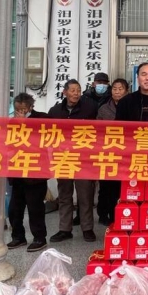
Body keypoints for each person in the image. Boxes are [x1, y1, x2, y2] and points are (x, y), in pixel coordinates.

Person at [48, 79, 99, 242]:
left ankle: (87, 228)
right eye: (72, 90)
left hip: (83, 159)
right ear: (65, 92)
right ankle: (65, 229)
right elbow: (48, 134)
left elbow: (98, 131)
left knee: (85, 195)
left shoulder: (89, 108)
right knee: (64, 194)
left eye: (78, 90)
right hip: (63, 158)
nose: (76, 93)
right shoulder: (55, 111)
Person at [6, 93, 49, 253]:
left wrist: (25, 124)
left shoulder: (42, 118)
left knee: (35, 208)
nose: (20, 112)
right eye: (17, 109)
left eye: (23, 109)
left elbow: (44, 140)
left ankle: (39, 238)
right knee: (14, 209)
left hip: (35, 173)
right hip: (17, 172)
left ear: (31, 107)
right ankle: (18, 237)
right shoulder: (12, 123)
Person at [96, 78, 129, 225]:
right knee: (106, 186)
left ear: (126, 91)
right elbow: (98, 130)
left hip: (126, 153)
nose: (117, 92)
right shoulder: (104, 109)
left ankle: (118, 214)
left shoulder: (131, 106)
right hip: (107, 152)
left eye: (120, 89)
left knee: (120, 186)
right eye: (115, 89)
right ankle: (103, 214)